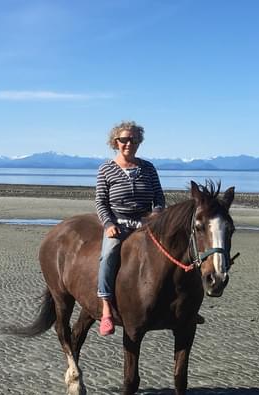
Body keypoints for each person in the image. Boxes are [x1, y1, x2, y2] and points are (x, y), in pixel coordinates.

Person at [96, 121, 165, 336]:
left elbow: (159, 198)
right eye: (124, 139)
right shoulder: (106, 169)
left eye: (133, 139)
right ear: (115, 142)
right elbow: (101, 202)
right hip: (119, 224)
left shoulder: (148, 168)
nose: (129, 143)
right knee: (108, 255)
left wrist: (156, 215)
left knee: (174, 252)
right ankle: (106, 307)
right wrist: (108, 225)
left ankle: (182, 306)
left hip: (147, 225)